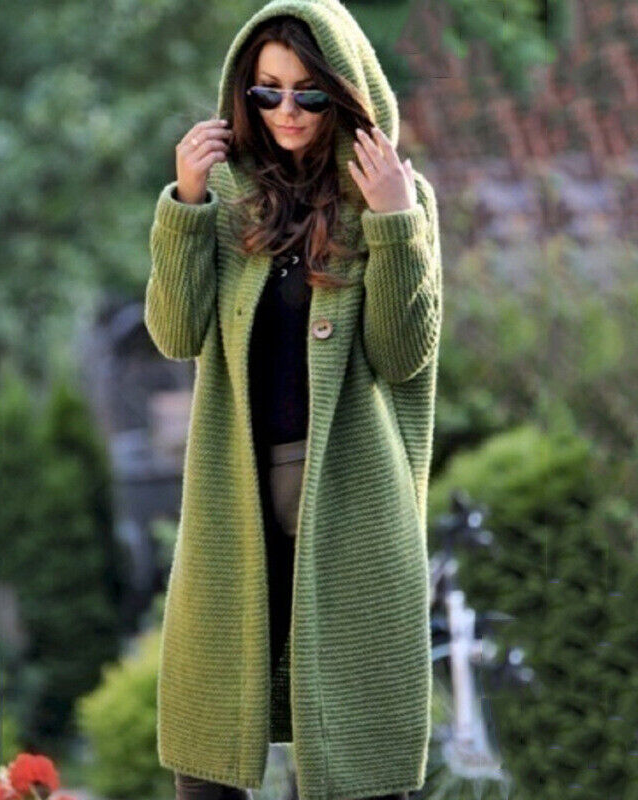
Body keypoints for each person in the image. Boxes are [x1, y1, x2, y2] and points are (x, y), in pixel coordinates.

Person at [145, 2, 442, 799]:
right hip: (234, 502)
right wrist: (185, 203)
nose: (287, 110)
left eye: (309, 92)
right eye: (266, 91)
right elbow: (174, 334)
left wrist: (394, 221)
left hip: (351, 505)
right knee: (208, 750)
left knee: (360, 758)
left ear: (343, 95)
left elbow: (401, 355)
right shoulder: (222, 196)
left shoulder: (396, 197)